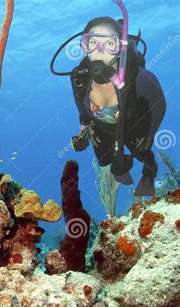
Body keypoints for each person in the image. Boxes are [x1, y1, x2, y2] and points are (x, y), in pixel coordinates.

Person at [51, 15, 167, 197]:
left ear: (120, 47)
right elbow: (82, 109)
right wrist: (83, 132)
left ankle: (149, 171)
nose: (100, 51)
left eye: (109, 44)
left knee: (141, 152)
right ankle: (121, 170)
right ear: (83, 46)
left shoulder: (140, 77)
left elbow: (160, 104)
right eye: (92, 42)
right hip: (101, 128)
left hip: (132, 123)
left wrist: (151, 134)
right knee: (105, 162)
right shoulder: (78, 78)